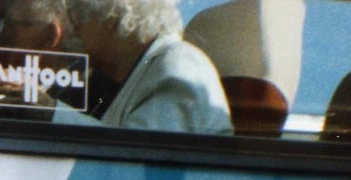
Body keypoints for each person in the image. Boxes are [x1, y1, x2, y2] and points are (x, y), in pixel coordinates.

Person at [58, 0, 232, 131]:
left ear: (112, 18)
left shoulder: (178, 66)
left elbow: (137, 165)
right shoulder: (112, 80)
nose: (71, 28)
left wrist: (49, 111)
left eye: (77, 15)